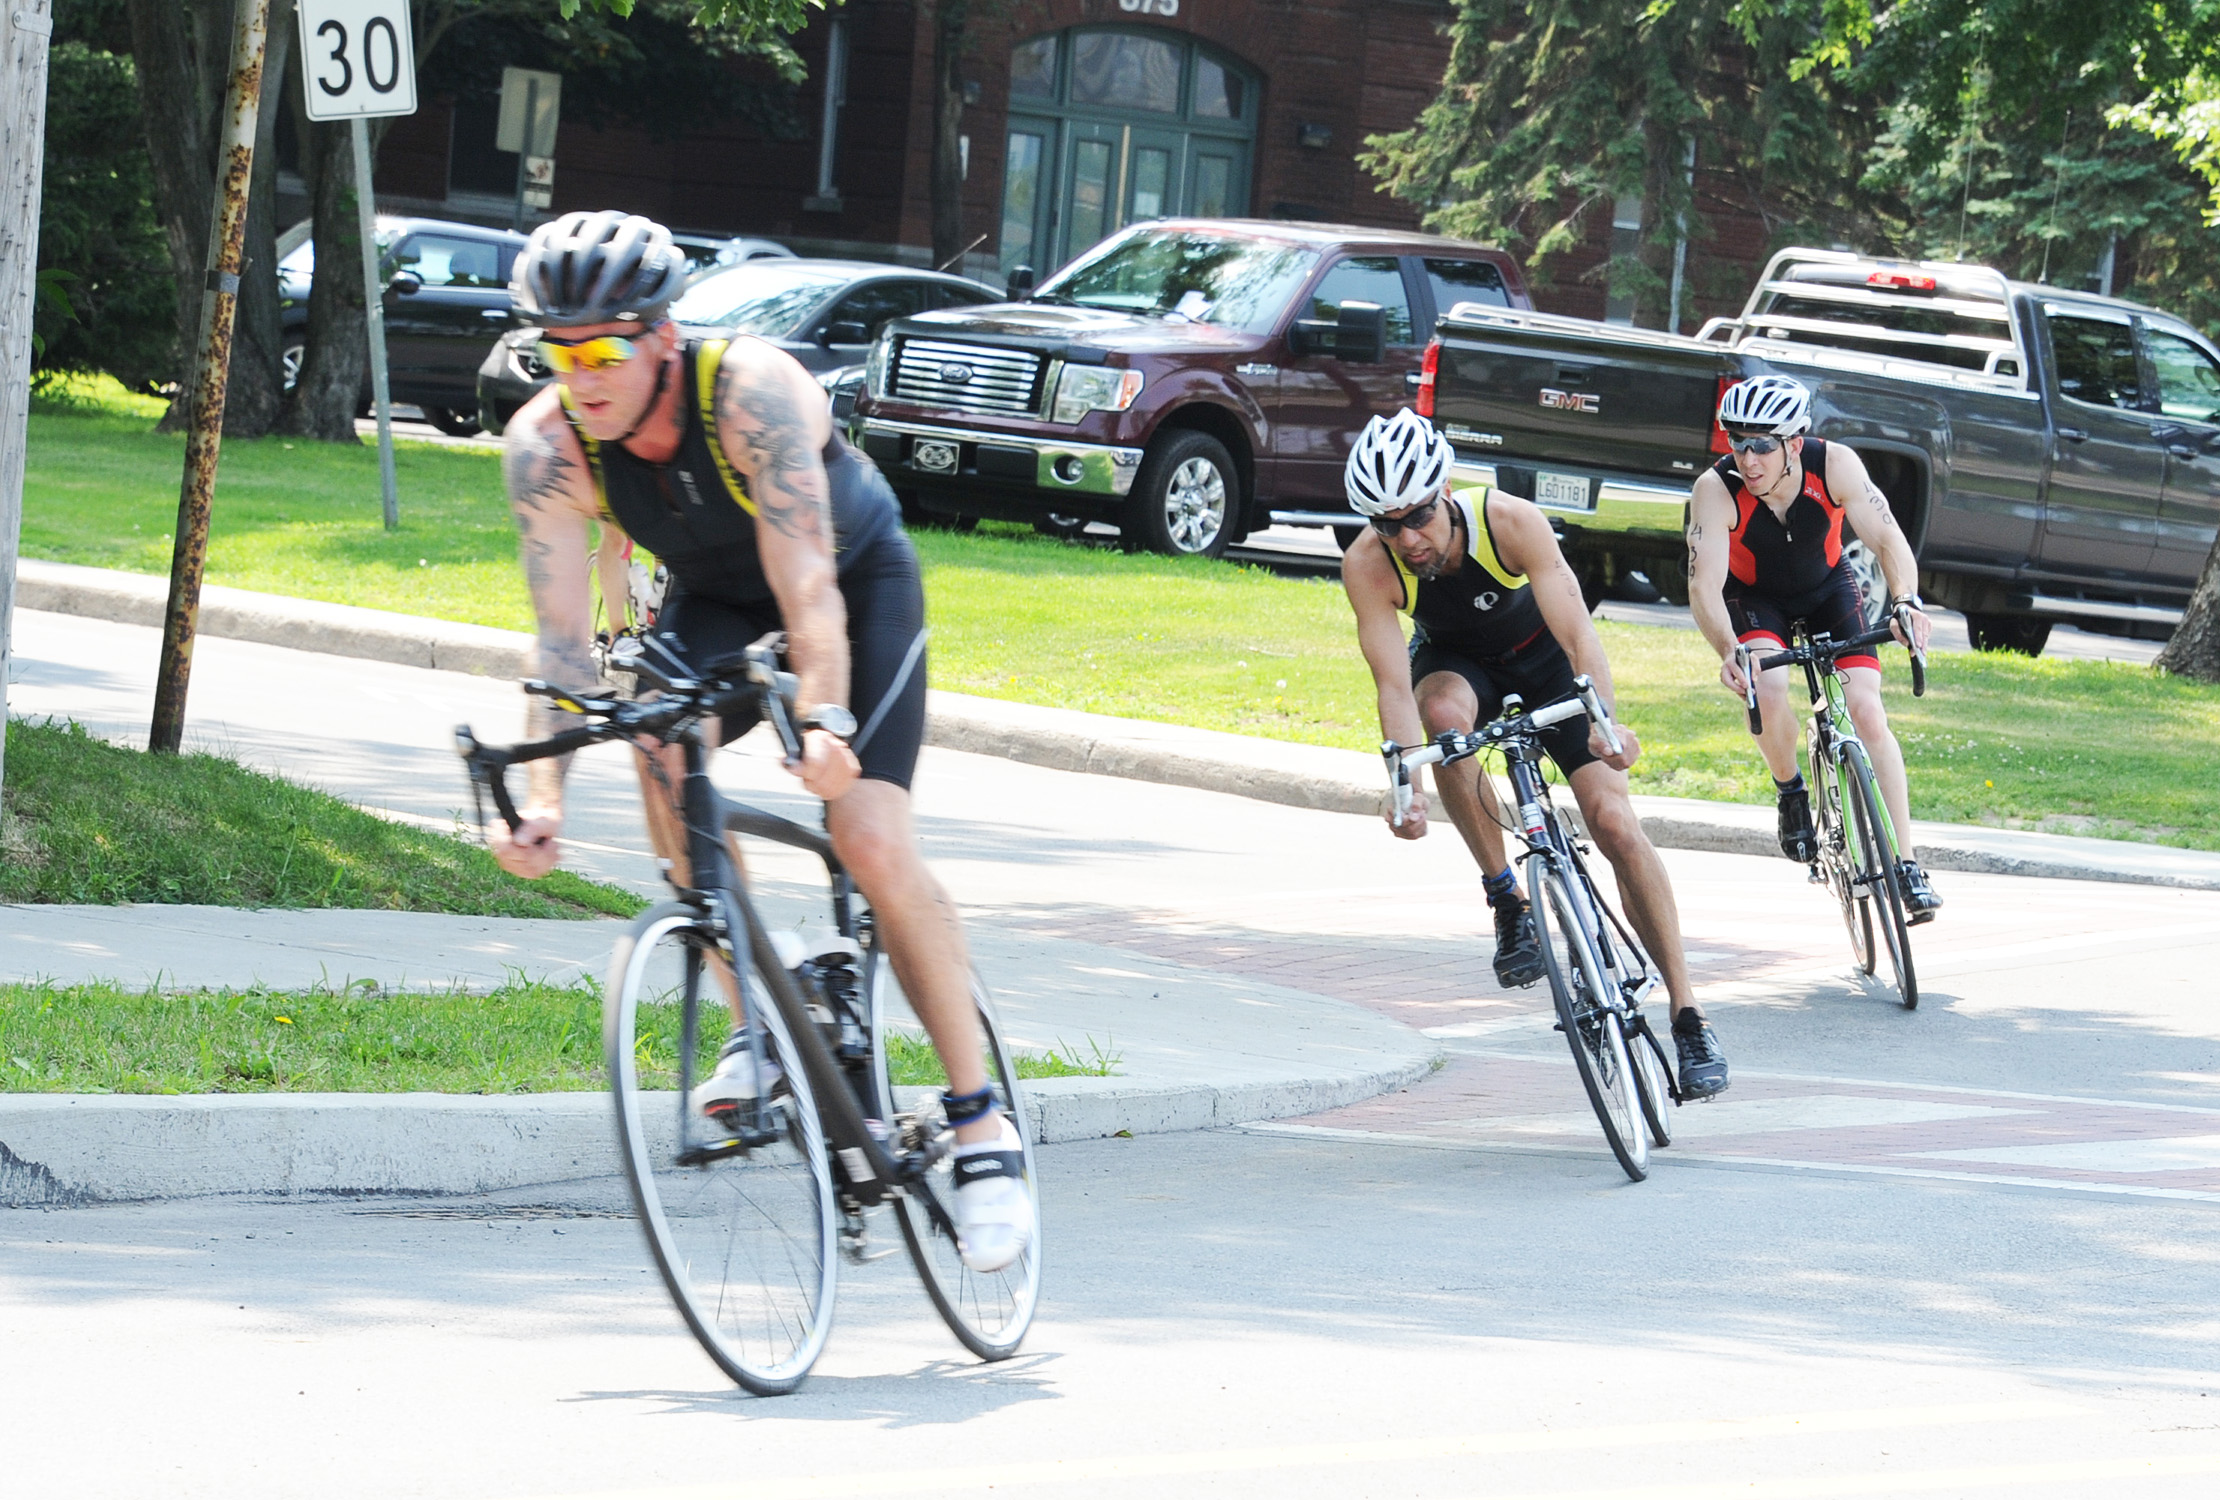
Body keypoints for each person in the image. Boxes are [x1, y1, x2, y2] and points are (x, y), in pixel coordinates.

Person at [485, 210, 1031, 1272]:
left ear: (661, 337)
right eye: (560, 354)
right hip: (718, 603)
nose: (582, 379)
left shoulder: (750, 393)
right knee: (657, 743)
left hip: (851, 584)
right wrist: (543, 800)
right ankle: (759, 1032)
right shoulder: (546, 449)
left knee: (868, 836)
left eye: (604, 353)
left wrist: (823, 719)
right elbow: (562, 650)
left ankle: (981, 1127)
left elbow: (811, 588)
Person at [1341, 409, 1730, 1100]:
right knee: (1444, 724)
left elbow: (1579, 636)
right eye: (1387, 525)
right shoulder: (1368, 565)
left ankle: (1688, 1013)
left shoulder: (1509, 521)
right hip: (1458, 668)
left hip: (1546, 660)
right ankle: (1507, 899)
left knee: (1614, 822)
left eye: (1419, 516)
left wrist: (1605, 726)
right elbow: (1394, 687)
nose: (1408, 538)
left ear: (1445, 491)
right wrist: (1405, 786)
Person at [1685, 375, 1942, 921]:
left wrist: (1905, 601)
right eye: (1737, 443)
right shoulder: (1715, 489)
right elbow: (1704, 585)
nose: (1748, 459)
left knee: (1867, 711)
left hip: (1828, 587)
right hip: (1754, 598)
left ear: (1794, 444)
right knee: (1767, 684)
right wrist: (1728, 649)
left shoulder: (1836, 465)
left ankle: (1907, 864)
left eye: (1762, 445)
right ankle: (1791, 790)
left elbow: (1888, 539)